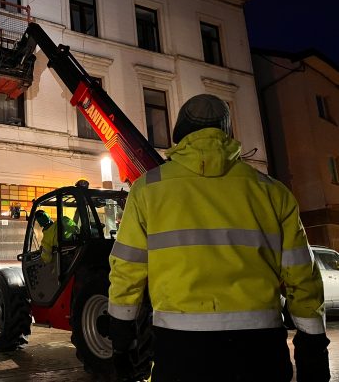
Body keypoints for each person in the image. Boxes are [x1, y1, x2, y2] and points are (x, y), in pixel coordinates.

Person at [108, 94, 330, 381]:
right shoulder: (272, 192)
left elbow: (127, 270)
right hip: (260, 347)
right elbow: (302, 276)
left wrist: (121, 342)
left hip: (181, 347)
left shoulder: (147, 189)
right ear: (227, 133)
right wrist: (312, 343)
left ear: (179, 135)